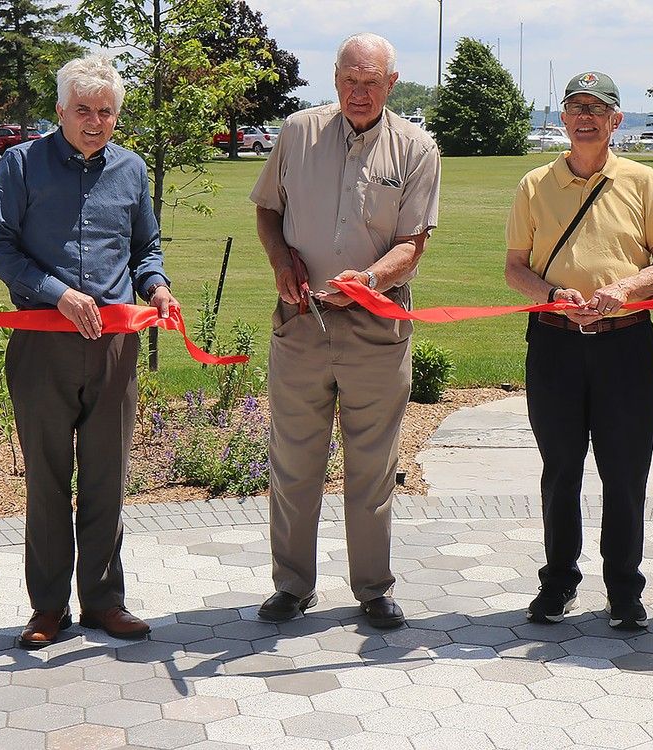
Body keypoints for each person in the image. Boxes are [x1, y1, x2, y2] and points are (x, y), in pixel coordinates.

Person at [0, 54, 177, 648]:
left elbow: (147, 246)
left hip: (115, 346)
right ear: (61, 110)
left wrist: (157, 286)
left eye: (107, 111)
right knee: (46, 478)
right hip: (43, 343)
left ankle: (103, 601)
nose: (96, 121)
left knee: (107, 477)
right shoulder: (21, 164)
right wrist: (57, 294)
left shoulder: (132, 169)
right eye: (84, 110)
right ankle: (47, 607)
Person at [249, 33, 440, 629]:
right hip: (302, 325)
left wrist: (373, 278)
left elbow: (413, 245)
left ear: (391, 83)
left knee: (372, 467)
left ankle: (373, 588)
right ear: (335, 79)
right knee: (294, 462)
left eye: (372, 81)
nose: (360, 92)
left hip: (375, 331)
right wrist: (281, 260)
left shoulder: (416, 147)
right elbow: (267, 209)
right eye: (350, 80)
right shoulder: (296, 133)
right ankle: (291, 585)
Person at [505, 71, 653, 629]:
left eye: (597, 109)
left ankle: (624, 590)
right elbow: (515, 268)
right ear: (563, 118)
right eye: (575, 107)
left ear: (615, 120)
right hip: (554, 344)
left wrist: (624, 290)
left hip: (624, 344)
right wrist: (554, 296)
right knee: (561, 469)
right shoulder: (535, 184)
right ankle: (558, 583)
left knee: (625, 471)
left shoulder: (642, 180)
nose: (585, 117)